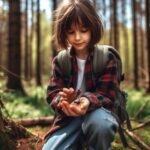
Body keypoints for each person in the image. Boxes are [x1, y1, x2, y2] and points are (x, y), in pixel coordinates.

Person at [42, 0, 119, 149]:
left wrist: (86, 101)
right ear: (63, 32)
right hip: (69, 118)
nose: (77, 37)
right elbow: (52, 93)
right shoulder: (60, 61)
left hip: (99, 114)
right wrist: (63, 101)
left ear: (93, 28)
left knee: (100, 124)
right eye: (71, 32)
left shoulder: (107, 57)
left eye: (83, 30)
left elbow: (108, 95)